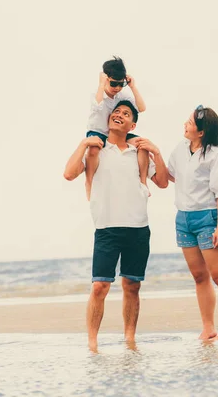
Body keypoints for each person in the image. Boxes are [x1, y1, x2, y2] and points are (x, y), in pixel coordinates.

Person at [64, 100, 168, 352]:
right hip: (107, 228)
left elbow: (163, 182)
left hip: (137, 227)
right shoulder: (96, 149)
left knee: (132, 285)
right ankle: (92, 342)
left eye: (126, 113)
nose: (119, 115)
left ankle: (130, 339)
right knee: (100, 286)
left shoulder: (139, 152)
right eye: (117, 111)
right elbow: (69, 173)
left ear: (132, 124)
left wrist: (156, 151)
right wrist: (83, 143)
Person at [167, 105, 218, 342]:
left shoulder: (215, 155)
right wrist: (152, 153)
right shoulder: (180, 149)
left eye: (189, 122)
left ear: (202, 131)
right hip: (184, 218)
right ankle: (208, 328)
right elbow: (170, 175)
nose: (185, 124)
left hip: (208, 218)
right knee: (199, 277)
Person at [84, 56, 149, 200]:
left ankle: (143, 182)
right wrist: (102, 84)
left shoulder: (121, 95)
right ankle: (89, 185)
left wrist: (132, 86)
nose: (117, 88)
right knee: (94, 149)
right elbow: (97, 106)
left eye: (121, 84)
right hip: (97, 132)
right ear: (106, 78)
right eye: (113, 83)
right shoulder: (96, 94)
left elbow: (141, 108)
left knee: (142, 145)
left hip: (116, 134)